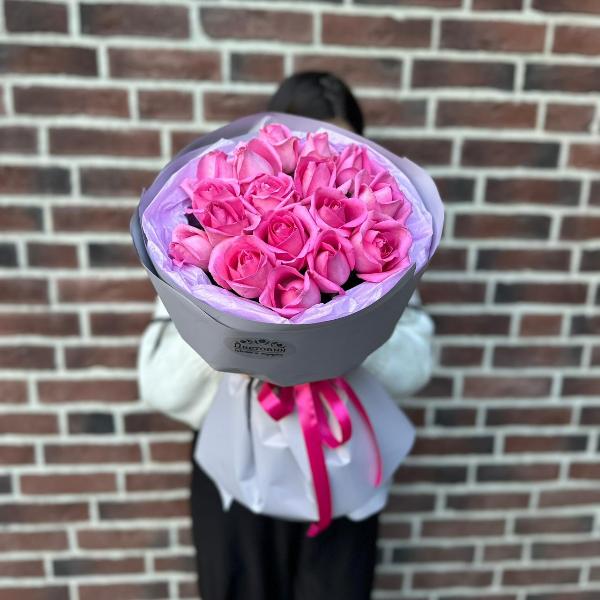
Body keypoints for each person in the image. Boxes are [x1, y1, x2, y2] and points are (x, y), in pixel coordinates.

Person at [137, 72, 435, 600]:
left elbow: (416, 370)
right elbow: (159, 386)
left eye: (340, 150)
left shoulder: (390, 252)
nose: (323, 169)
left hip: (343, 471)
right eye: (309, 148)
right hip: (236, 477)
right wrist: (230, 320)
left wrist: (354, 323)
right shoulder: (194, 249)